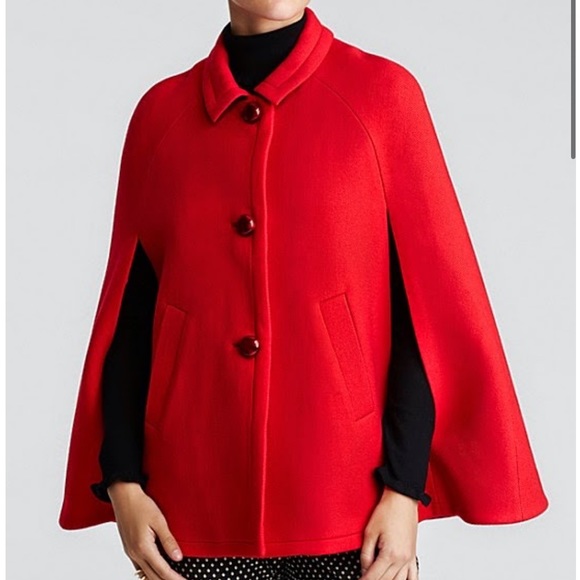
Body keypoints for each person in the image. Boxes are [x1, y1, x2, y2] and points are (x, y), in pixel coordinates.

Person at [59, 2, 549, 580]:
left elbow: (424, 311)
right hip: (185, 515)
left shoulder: (382, 96)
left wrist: (404, 491)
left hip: (352, 511)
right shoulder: (160, 115)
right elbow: (131, 314)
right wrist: (123, 483)